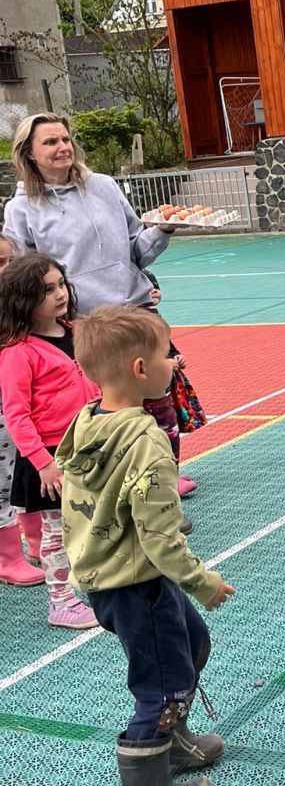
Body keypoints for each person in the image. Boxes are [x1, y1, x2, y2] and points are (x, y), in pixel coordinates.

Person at [59, 306, 235, 786]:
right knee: (161, 688)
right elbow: (161, 536)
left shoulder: (89, 420)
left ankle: (174, 740)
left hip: (117, 577)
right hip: (135, 583)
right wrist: (203, 582)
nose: (173, 363)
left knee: (192, 642)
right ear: (140, 368)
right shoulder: (145, 441)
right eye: (166, 355)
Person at [1, 113, 192, 498]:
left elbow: (137, 249)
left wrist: (163, 229)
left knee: (160, 402)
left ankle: (163, 483)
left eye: (65, 139)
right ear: (29, 153)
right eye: (50, 142)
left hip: (135, 309)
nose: (62, 147)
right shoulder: (20, 210)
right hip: (83, 322)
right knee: (109, 410)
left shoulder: (104, 186)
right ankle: (121, 488)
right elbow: (24, 277)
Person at [0, 256, 100, 627]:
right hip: (52, 459)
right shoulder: (18, 352)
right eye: (47, 290)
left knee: (95, 519)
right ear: (23, 300)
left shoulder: (76, 331)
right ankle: (61, 601)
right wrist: (43, 462)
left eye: (61, 284)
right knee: (57, 531)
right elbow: (17, 415)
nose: (60, 294)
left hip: (89, 445)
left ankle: (97, 581)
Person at [0, 234, 42, 589]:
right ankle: (8, 557)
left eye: (11, 260)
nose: (8, 269)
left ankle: (37, 540)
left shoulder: (18, 305)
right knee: (2, 480)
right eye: (1, 263)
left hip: (19, 405)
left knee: (25, 469)